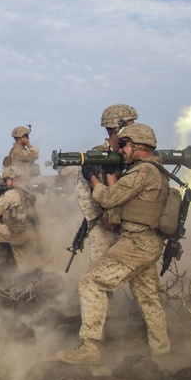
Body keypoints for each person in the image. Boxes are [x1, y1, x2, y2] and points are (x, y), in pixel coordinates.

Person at [56, 123, 170, 365]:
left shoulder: (143, 172)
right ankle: (162, 353)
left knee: (91, 282)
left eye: (125, 145)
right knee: (148, 297)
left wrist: (94, 177)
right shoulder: (154, 170)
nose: (122, 150)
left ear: (138, 146)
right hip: (147, 242)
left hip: (135, 243)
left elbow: (109, 199)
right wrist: (110, 170)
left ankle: (90, 347)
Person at [75, 105, 139, 263]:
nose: (136, 128)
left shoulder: (135, 153)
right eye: (131, 124)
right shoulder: (96, 156)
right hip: (105, 226)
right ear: (117, 128)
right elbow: (83, 193)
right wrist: (103, 218)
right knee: (100, 272)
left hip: (133, 224)